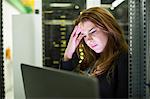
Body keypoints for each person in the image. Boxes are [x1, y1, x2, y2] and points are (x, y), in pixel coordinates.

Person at [60, 7, 128, 98]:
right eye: (84, 36)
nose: (88, 40)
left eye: (93, 31)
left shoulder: (123, 60)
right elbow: (65, 87)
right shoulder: (93, 60)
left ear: (108, 28)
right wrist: (67, 55)